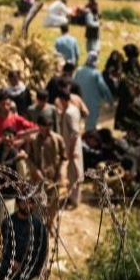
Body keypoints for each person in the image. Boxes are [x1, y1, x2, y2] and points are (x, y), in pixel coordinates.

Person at [0, 192, 49, 280]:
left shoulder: (39, 226)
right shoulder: (8, 223)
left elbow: (43, 250)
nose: (27, 205)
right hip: (11, 266)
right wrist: (13, 263)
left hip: (30, 270)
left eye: (30, 202)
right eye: (24, 202)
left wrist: (40, 269)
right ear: (18, 203)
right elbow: (5, 248)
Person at [23, 113, 67, 227]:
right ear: (39, 126)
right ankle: (38, 227)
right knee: (38, 204)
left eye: (49, 127)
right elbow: (28, 158)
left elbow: (64, 159)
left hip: (53, 179)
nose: (47, 130)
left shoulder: (57, 139)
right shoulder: (33, 140)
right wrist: (35, 170)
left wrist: (62, 172)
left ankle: (49, 224)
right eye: (44, 127)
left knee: (53, 205)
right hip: (37, 178)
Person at [55, 80, 84, 210]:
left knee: (74, 173)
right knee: (73, 173)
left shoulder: (69, 113)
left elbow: (74, 134)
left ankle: (75, 200)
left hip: (73, 146)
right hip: (72, 145)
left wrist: (71, 150)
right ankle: (72, 197)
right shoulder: (72, 109)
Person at [74, 52, 114, 132]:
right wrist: (110, 100)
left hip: (79, 101)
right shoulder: (95, 73)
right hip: (92, 102)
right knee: (90, 126)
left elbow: (73, 84)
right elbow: (104, 88)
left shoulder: (78, 71)